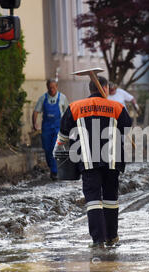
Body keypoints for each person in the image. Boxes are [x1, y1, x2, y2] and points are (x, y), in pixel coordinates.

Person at [56, 77, 132, 248]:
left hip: (87, 161)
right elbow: (127, 128)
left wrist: (57, 149)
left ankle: (98, 240)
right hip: (112, 160)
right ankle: (112, 236)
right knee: (111, 199)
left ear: (90, 89)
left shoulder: (75, 107)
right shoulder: (116, 106)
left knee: (93, 200)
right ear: (104, 88)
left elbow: (63, 134)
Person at [33, 79, 69, 181]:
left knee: (54, 148)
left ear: (57, 87)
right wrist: (34, 123)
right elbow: (36, 111)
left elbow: (68, 112)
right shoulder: (43, 98)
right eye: (50, 87)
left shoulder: (62, 98)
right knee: (47, 149)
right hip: (46, 128)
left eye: (53, 87)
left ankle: (55, 171)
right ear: (47, 87)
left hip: (58, 127)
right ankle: (52, 167)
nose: (52, 89)